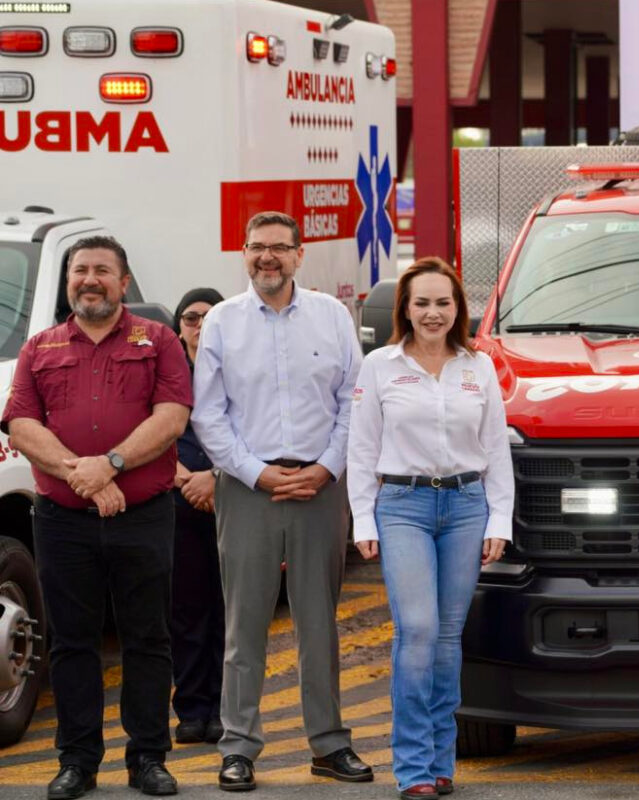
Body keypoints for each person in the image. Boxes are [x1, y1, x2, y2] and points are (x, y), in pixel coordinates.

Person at [1, 236, 190, 798]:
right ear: (68, 283)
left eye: (102, 270)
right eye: (80, 270)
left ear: (123, 281)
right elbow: (20, 424)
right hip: (64, 520)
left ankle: (148, 757)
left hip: (143, 515)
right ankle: (78, 761)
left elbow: (173, 416)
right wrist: (79, 473)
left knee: (147, 638)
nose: (90, 279)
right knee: (72, 643)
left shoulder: (157, 341)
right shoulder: (40, 347)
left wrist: (109, 465)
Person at [191, 212, 370, 791]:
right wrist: (258, 474)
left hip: (322, 488)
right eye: (257, 248)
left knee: (319, 622)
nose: (268, 257)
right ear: (244, 254)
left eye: (279, 248)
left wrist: (325, 469)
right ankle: (239, 747)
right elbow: (208, 414)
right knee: (244, 625)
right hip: (248, 492)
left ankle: (328, 744)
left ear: (300, 254)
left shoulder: (332, 316)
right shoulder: (222, 321)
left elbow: (353, 400)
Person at [347, 257, 513, 800]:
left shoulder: (479, 367)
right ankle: (413, 765)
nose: (433, 313)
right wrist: (364, 518)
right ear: (405, 309)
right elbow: (362, 447)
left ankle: (442, 761)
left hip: (467, 506)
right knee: (416, 630)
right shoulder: (380, 366)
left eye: (443, 302)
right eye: (422, 302)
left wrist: (500, 519)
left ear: (458, 308)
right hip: (403, 506)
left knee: (446, 638)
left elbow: (495, 450)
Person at [169, 288, 227, 746]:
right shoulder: (166, 373)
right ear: (178, 325)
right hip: (178, 498)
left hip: (233, 496)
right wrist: (186, 478)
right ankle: (191, 709)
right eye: (190, 318)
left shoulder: (238, 369)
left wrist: (215, 477)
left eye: (209, 317)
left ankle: (226, 708)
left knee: (230, 610)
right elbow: (146, 427)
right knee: (187, 609)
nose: (199, 325)